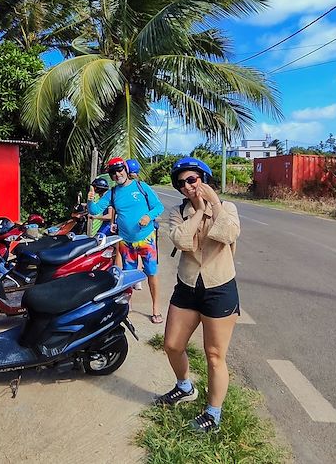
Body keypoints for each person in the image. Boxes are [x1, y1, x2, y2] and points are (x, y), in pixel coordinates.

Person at [156, 157, 241, 434]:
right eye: (181, 183)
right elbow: (181, 241)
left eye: (192, 179)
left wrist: (213, 204)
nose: (187, 186)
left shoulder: (227, 208)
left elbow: (228, 233)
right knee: (172, 345)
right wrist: (197, 212)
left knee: (215, 354)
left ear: (203, 179)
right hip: (188, 285)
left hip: (219, 287)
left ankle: (213, 413)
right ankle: (184, 386)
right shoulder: (176, 212)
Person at [88, 157, 164, 323]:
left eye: (120, 170)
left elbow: (159, 207)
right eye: (113, 172)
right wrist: (90, 198)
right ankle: (126, 308)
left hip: (146, 239)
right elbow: (94, 209)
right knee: (128, 277)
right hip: (126, 242)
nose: (117, 174)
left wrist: (148, 216)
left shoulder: (141, 187)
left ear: (126, 170)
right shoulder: (112, 193)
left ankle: (156, 309)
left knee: (151, 273)